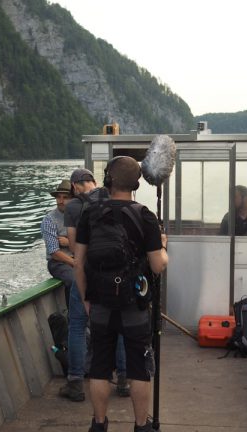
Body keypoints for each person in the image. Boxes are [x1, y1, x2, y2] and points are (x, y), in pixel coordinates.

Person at [74, 156, 168, 432]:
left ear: (107, 180)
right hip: (134, 305)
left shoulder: (90, 214)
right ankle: (141, 426)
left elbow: (79, 262)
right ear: (136, 183)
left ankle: (99, 424)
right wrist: (163, 247)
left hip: (100, 302)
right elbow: (157, 265)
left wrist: (86, 299)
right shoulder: (145, 215)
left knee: (100, 366)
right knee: (139, 366)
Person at [60, 169, 130, 402]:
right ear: (94, 182)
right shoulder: (112, 198)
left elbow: (73, 245)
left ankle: (76, 383)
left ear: (74, 186)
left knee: (78, 325)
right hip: (115, 276)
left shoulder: (72, 207)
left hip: (87, 274)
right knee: (119, 325)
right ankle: (123, 379)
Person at [41, 179, 75, 305]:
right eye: (58, 197)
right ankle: (73, 317)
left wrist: (69, 242)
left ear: (73, 199)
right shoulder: (49, 220)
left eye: (65, 197)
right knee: (74, 280)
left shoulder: (79, 216)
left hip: (77, 257)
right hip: (58, 263)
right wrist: (75, 263)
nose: (61, 201)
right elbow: (54, 252)